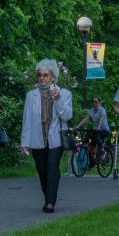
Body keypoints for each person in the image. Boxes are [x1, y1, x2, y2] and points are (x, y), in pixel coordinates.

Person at [19, 59, 73, 213]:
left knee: (52, 167)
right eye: (40, 75)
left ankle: (50, 203)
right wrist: (24, 142)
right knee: (42, 170)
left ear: (53, 77)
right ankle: (48, 198)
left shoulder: (65, 94)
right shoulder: (31, 96)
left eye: (45, 75)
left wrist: (58, 98)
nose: (42, 78)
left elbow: (67, 116)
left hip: (56, 139)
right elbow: (27, 119)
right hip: (38, 139)